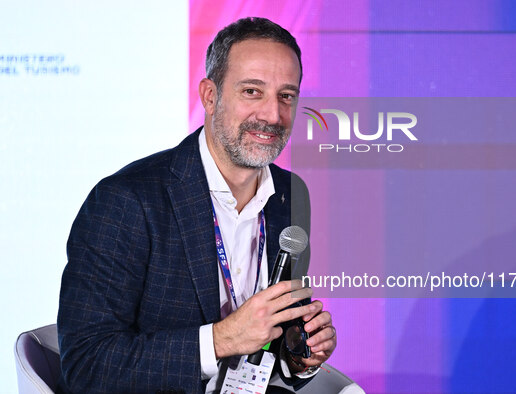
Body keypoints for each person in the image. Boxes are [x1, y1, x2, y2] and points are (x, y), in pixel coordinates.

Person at [57, 17, 337, 394]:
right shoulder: (127, 201)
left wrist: (297, 355)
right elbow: (86, 366)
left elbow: (270, 345)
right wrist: (222, 339)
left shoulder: (290, 195)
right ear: (209, 96)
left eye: (286, 95)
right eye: (252, 91)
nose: (273, 115)